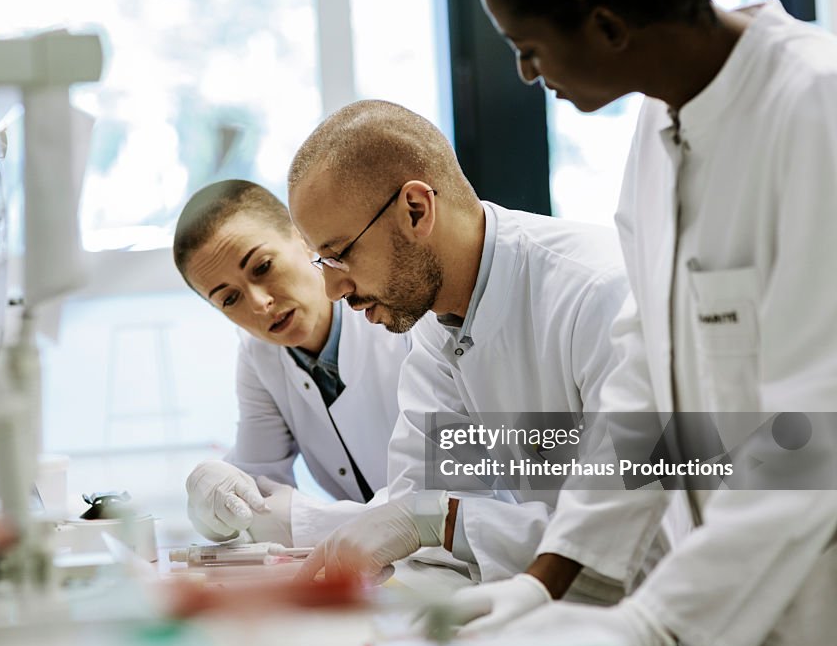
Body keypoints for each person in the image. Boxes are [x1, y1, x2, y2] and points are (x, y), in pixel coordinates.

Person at [470, 0, 837, 646]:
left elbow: (814, 434)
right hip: (743, 607)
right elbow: (647, 379)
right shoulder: (660, 122)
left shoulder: (816, 106)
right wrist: (543, 580)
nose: (524, 73)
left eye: (529, 47)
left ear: (609, 26)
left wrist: (647, 619)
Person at [287, 100, 670, 606]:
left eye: (340, 255)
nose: (333, 289)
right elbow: (421, 520)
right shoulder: (438, 329)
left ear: (416, 210)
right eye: (321, 261)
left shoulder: (598, 294)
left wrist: (441, 519)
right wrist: (429, 522)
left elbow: (641, 544)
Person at [173, 180, 411, 548]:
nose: (259, 304)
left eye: (263, 266)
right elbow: (257, 490)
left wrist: (308, 522)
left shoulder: (402, 318)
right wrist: (213, 507)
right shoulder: (259, 354)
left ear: (302, 236)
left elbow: (444, 508)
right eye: (230, 298)